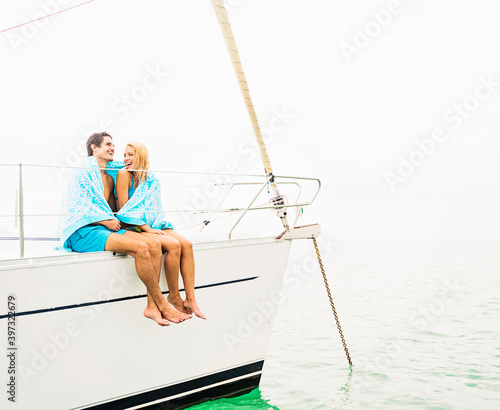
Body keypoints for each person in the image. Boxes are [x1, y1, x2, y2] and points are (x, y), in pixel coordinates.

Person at [59, 132, 191, 326]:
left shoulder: (111, 179)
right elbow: (76, 208)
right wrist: (104, 222)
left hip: (105, 229)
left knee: (153, 244)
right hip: (83, 232)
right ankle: (162, 303)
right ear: (94, 148)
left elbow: (112, 209)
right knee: (141, 248)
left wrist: (121, 223)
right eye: (107, 144)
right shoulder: (83, 173)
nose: (113, 148)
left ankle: (151, 307)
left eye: (113, 145)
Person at [114, 141, 206, 319]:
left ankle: (191, 299)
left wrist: (154, 226)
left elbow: (154, 208)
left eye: (130, 155)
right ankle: (174, 296)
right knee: (173, 244)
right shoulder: (124, 175)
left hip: (152, 223)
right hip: (133, 225)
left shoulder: (151, 179)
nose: (126, 158)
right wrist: (146, 228)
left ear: (140, 156)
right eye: (124, 155)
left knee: (186, 244)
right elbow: (124, 210)